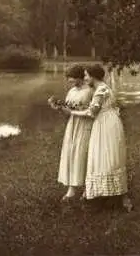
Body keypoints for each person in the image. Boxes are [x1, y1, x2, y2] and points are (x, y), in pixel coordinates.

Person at [65, 63, 133, 211]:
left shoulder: (100, 90)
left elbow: (91, 113)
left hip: (105, 125)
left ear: (93, 76)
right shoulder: (103, 87)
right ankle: (112, 195)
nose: (85, 78)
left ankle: (102, 197)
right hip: (110, 122)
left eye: (86, 75)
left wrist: (71, 112)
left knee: (102, 157)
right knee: (109, 157)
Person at [48, 64, 94, 201]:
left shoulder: (91, 91)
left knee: (83, 154)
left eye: (71, 78)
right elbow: (68, 113)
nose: (69, 81)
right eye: (68, 78)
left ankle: (87, 188)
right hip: (73, 125)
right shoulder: (71, 91)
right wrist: (58, 107)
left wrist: (73, 111)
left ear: (80, 77)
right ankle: (72, 189)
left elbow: (93, 112)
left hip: (86, 125)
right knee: (71, 154)